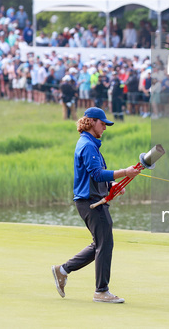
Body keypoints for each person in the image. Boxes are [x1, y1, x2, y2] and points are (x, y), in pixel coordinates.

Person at [51, 107, 141, 303]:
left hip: (91, 200)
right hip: (90, 202)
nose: (105, 128)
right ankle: (101, 291)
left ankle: (63, 270)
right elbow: (97, 174)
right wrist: (125, 171)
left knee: (101, 243)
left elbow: (96, 175)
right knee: (104, 243)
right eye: (103, 124)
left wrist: (112, 184)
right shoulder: (88, 145)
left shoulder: (91, 144)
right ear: (91, 122)